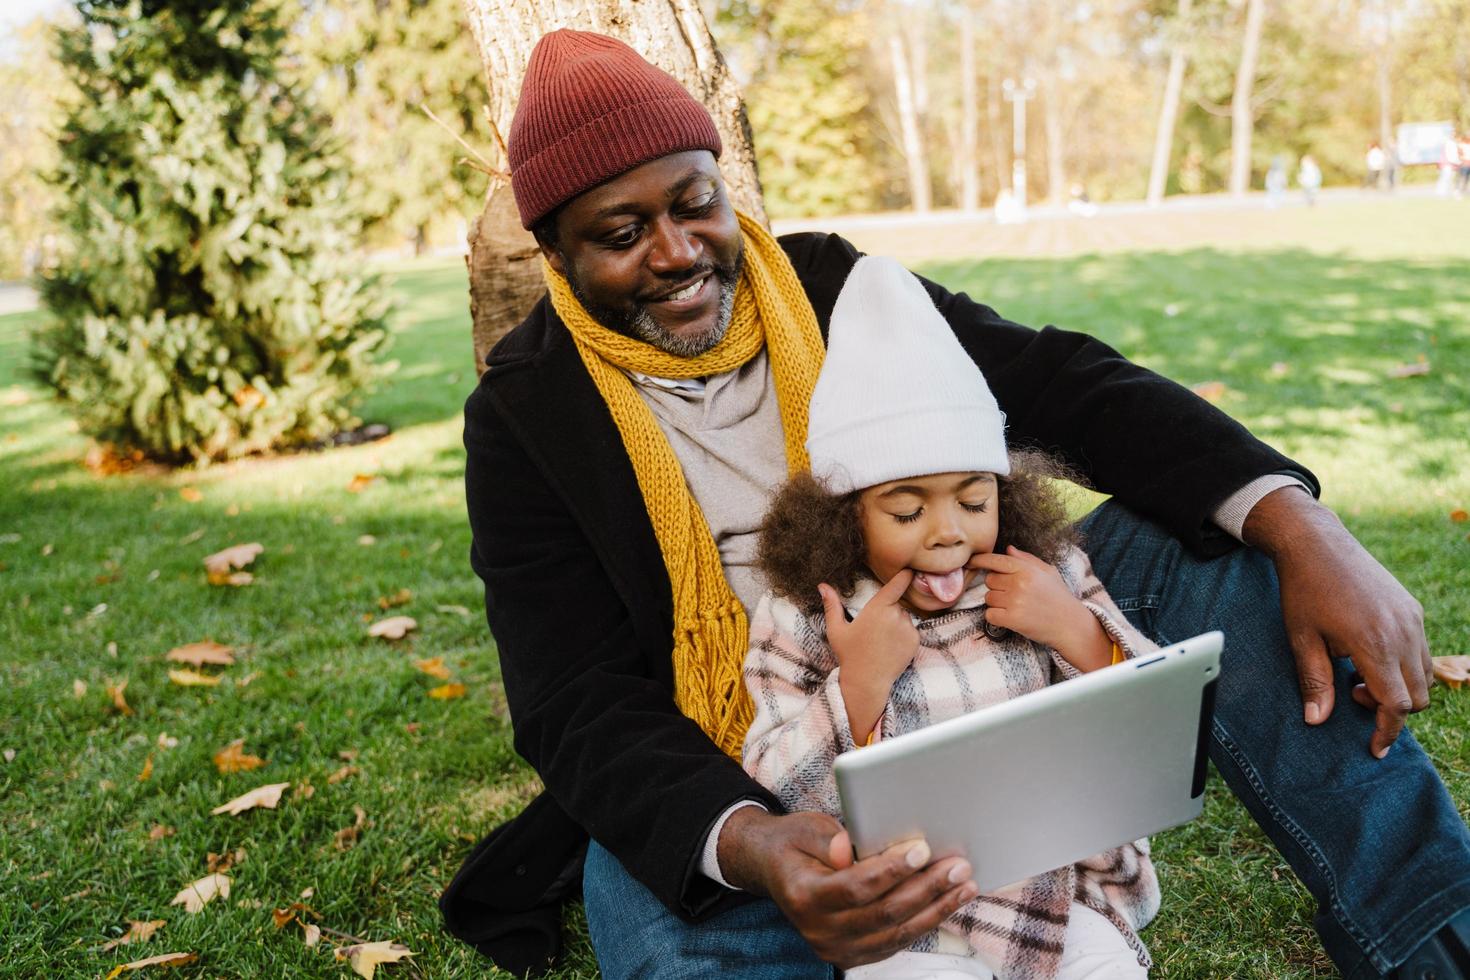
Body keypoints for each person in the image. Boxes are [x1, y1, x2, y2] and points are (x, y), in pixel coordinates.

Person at [441, 28, 1470, 980]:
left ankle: (1436, 931)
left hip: (970, 643)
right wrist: (754, 844)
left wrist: (1300, 520)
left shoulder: (831, 286)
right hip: (741, 749)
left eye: (694, 202)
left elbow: (1064, 385)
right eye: (622, 231)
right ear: (558, 253)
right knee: (667, 894)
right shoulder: (525, 415)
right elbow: (573, 697)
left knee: (1213, 543)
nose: (676, 251)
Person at [742, 255, 1160, 979]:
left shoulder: (1046, 570)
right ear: (843, 515)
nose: (948, 532)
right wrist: (859, 684)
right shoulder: (806, 611)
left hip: (1059, 882)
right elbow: (772, 786)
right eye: (906, 510)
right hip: (905, 910)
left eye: (974, 500)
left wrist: (1075, 630)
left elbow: (1153, 725)